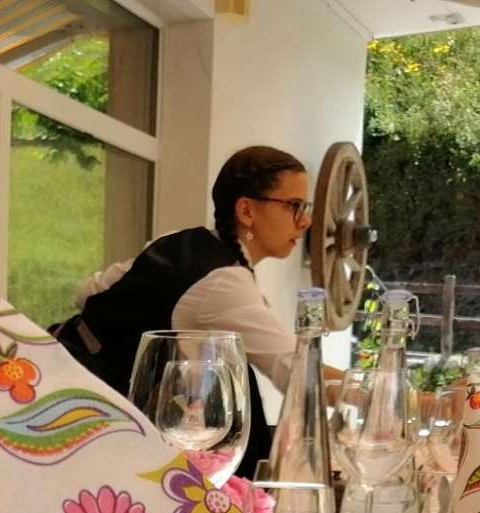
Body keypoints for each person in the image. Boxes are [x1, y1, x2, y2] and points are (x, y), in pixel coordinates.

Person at [53, 145, 321, 473]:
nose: (305, 221)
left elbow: (88, 292)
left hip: (68, 399)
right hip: (106, 432)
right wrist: (363, 389)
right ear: (246, 210)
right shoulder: (225, 281)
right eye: (294, 206)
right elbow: (297, 370)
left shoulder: (184, 241)